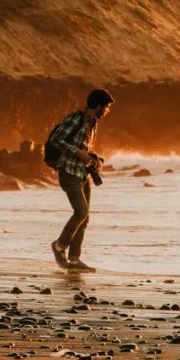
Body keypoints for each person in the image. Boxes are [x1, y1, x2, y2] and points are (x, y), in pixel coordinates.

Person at [49, 88, 114, 271]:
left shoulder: (92, 122)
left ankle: (75, 260)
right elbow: (56, 140)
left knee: (85, 218)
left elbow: (84, 147)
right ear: (99, 105)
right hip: (68, 172)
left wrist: (94, 160)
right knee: (81, 212)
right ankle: (59, 246)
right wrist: (77, 152)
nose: (107, 111)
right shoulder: (75, 118)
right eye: (107, 107)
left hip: (83, 173)